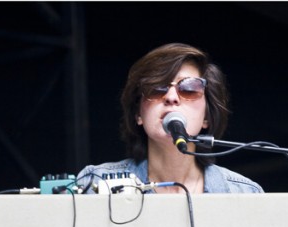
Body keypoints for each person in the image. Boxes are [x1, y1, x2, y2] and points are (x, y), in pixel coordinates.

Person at [76, 42, 264, 194]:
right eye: (156, 88)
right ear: (138, 114)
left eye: (189, 88)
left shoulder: (243, 193)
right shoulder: (93, 185)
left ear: (207, 117)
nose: (171, 97)